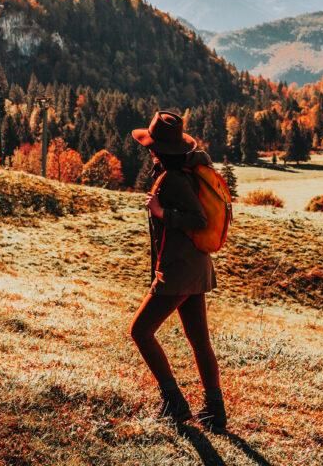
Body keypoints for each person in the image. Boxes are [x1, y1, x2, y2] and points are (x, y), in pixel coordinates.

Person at [129, 109, 226, 430]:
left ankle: (174, 402)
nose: (150, 150)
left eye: (151, 146)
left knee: (140, 331)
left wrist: (161, 211)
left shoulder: (172, 179)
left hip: (180, 270)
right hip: (194, 268)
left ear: (157, 150)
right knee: (199, 339)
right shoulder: (179, 174)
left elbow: (197, 219)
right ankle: (215, 411)